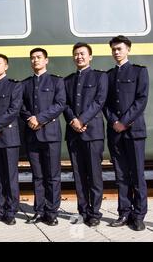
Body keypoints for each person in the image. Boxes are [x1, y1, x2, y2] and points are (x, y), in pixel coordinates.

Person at [103, 35, 149, 231]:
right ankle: (124, 213)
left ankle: (138, 215)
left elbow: (141, 99)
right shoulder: (108, 75)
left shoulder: (139, 71)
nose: (116, 52)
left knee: (137, 174)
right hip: (116, 131)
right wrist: (114, 121)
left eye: (119, 48)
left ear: (128, 49)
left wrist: (124, 121)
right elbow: (105, 103)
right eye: (113, 49)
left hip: (134, 130)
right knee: (121, 174)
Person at [63, 43, 108, 226]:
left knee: (94, 174)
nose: (79, 57)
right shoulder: (68, 80)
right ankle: (82, 211)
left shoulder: (100, 76)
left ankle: (95, 213)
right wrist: (73, 120)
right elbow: (64, 103)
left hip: (93, 132)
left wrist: (82, 120)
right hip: (74, 133)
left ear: (90, 57)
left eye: (82, 54)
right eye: (76, 54)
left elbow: (99, 101)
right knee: (79, 174)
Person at [21, 48, 66, 226]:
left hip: (51, 135)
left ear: (46, 60)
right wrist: (29, 118)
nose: (35, 61)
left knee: (52, 176)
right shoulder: (25, 84)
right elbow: (21, 106)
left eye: (39, 58)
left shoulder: (56, 81)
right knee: (37, 176)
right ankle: (39, 211)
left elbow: (60, 103)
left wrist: (40, 118)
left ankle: (52, 212)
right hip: (32, 135)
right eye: (32, 58)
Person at [0, 54, 23, 225]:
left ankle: (11, 211)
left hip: (8, 137)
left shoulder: (14, 86)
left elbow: (14, 110)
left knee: (10, 176)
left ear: (6, 66)